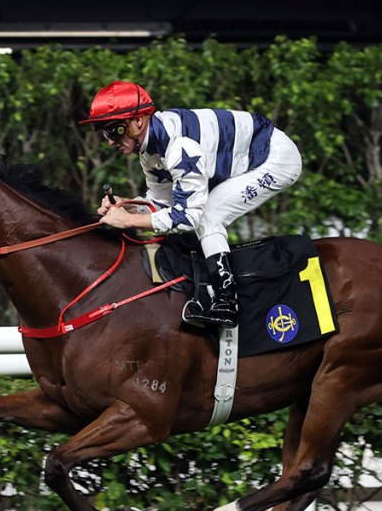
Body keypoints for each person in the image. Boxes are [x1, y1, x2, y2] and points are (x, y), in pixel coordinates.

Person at [78, 80, 302, 328]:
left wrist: (129, 221)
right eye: (105, 133)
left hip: (275, 159)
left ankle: (228, 304)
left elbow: (187, 217)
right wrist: (129, 206)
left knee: (208, 216)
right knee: (203, 213)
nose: (110, 141)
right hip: (246, 155)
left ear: (137, 122)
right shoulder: (150, 149)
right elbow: (161, 201)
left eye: (113, 131)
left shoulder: (179, 148)